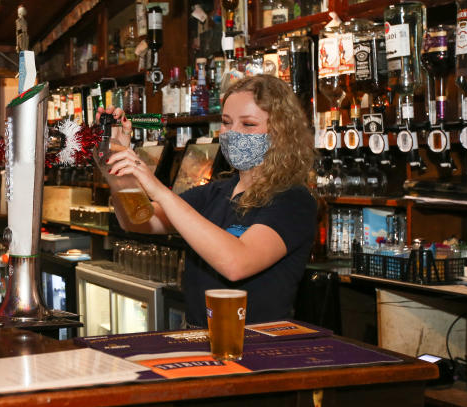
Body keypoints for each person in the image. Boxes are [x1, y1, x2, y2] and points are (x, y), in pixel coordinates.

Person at [102, 74, 317, 327]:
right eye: (226, 123)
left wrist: (159, 190)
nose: (233, 133)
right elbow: (138, 220)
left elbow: (236, 263)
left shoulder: (293, 199)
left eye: (248, 124)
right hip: (198, 338)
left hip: (258, 345)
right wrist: (117, 162)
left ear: (281, 133)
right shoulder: (216, 192)